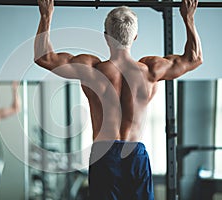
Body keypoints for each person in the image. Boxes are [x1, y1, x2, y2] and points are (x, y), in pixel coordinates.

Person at [34, 0, 202, 199]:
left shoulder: (92, 70)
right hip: (135, 153)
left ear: (106, 37)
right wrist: (188, 18)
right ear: (135, 37)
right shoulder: (150, 70)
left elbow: (44, 57)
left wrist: (46, 15)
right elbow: (195, 58)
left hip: (104, 155)